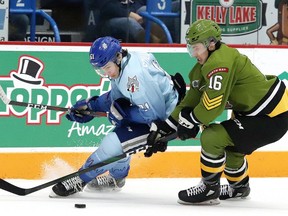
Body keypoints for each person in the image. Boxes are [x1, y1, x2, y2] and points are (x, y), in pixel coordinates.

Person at [145, 19, 288, 205]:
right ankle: (239, 187)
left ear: (211, 44)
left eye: (196, 48)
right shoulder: (202, 67)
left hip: (271, 116)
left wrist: (190, 122)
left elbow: (212, 106)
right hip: (256, 113)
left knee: (212, 137)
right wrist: (166, 126)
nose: (193, 53)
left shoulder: (220, 63)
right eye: (191, 48)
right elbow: (190, 101)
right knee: (232, 148)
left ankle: (209, 188)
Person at [49, 36, 185, 197]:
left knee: (112, 144)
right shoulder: (126, 62)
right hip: (159, 110)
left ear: (118, 57)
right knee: (118, 137)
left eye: (107, 67)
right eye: (101, 69)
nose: (106, 73)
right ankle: (116, 179)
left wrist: (124, 115)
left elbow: (156, 115)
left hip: (165, 123)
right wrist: (91, 105)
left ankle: (80, 179)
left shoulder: (134, 77)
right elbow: (118, 95)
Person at [82, 0, 164, 43]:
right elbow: (106, 7)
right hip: (108, 20)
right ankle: (153, 44)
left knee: (146, 10)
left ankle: (164, 40)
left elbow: (139, 2)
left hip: (132, 13)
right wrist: (128, 13)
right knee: (130, 23)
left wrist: (134, 11)